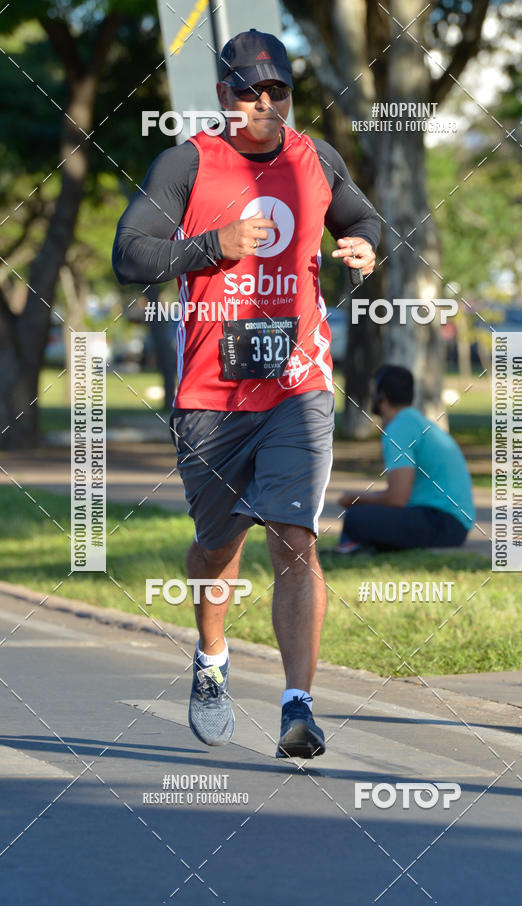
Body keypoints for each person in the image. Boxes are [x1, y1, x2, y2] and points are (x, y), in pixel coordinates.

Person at [112, 28, 380, 758]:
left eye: (278, 92)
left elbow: (360, 215)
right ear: (224, 94)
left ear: (290, 95)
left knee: (295, 538)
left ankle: (299, 706)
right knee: (216, 548)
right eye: (247, 91)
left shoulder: (316, 158)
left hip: (298, 385)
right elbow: (129, 253)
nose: (263, 104)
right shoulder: (187, 163)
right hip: (211, 394)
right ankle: (211, 657)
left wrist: (364, 243)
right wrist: (212, 247)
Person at [335, 365, 475, 553]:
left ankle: (351, 549)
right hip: (452, 523)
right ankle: (355, 546)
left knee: (357, 517)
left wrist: (355, 499)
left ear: (380, 396)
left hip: (443, 523)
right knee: (367, 515)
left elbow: (397, 498)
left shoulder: (399, 429)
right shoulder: (415, 421)